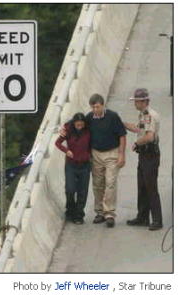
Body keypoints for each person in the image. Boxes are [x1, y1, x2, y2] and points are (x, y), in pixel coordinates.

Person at [60, 94, 127, 228]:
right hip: (96, 154)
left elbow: (122, 135)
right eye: (93, 107)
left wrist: (121, 154)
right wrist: (63, 128)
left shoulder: (112, 117)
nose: (95, 109)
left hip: (111, 153)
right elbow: (74, 122)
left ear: (103, 105)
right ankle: (100, 212)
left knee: (110, 182)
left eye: (97, 106)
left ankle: (109, 213)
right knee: (97, 184)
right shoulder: (89, 118)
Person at [124, 88, 163, 230]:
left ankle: (157, 220)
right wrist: (124, 124)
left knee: (151, 187)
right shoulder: (142, 115)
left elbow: (149, 136)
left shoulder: (149, 115)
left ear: (144, 101)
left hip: (150, 155)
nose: (135, 103)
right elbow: (139, 129)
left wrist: (136, 143)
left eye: (137, 101)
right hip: (144, 155)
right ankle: (142, 217)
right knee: (142, 186)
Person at [55, 113, 91, 224]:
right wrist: (67, 151)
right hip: (71, 165)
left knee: (82, 191)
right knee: (70, 189)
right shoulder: (68, 130)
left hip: (85, 165)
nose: (79, 126)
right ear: (74, 123)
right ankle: (70, 210)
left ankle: (79, 214)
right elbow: (58, 143)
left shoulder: (89, 131)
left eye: (81, 124)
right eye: (77, 124)